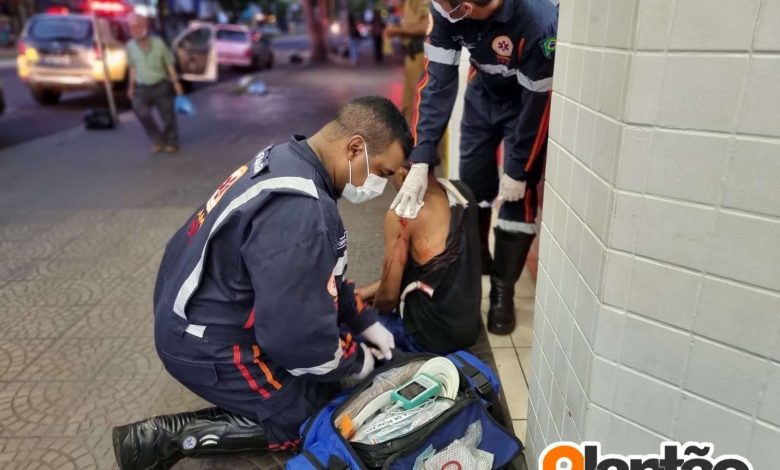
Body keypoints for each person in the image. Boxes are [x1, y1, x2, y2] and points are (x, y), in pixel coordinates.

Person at [112, 96, 412, 469]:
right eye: (382, 173)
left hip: (199, 305)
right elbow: (297, 339)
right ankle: (162, 439)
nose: (380, 187)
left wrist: (363, 321)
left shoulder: (290, 157)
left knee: (317, 376)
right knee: (314, 418)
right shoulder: (303, 212)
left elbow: (324, 277)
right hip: (206, 342)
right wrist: (354, 361)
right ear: (355, 147)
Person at [390, 0, 557, 336]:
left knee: (516, 196)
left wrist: (519, 167)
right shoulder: (445, 8)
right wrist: (421, 157)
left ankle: (502, 292)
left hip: (525, 106)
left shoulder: (540, 22)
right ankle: (480, 258)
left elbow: (538, 105)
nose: (438, 9)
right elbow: (437, 83)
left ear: (466, 7)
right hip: (482, 96)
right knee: (473, 182)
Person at [356, 161, 481, 354]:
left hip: (427, 341)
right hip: (469, 330)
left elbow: (388, 299)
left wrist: (364, 311)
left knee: (347, 319)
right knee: (362, 299)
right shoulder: (461, 192)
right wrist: (365, 293)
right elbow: (428, 271)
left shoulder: (403, 214)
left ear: (404, 174)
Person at [126, 13, 184, 154]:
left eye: (138, 26)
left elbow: (169, 63)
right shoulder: (130, 46)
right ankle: (158, 139)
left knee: (168, 116)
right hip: (142, 88)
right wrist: (130, 87)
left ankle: (171, 141)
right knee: (141, 111)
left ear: (145, 26)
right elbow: (132, 67)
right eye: (132, 27)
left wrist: (176, 83)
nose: (136, 30)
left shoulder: (158, 43)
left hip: (160, 84)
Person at [384, 0, 431, 124]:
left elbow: (427, 25)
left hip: (422, 54)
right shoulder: (408, 3)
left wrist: (398, 30)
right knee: (409, 104)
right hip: (413, 55)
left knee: (421, 105)